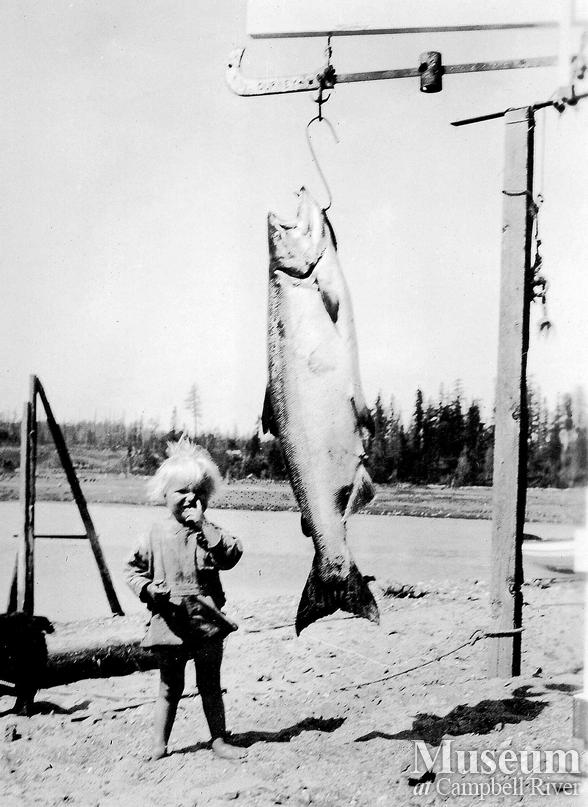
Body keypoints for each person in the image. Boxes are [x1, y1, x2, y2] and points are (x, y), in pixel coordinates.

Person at [124, 438, 245, 761]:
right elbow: (132, 571)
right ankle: (159, 744)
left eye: (199, 493)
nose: (191, 498)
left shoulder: (209, 531)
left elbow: (231, 554)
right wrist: (148, 590)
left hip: (207, 621)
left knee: (210, 684)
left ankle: (218, 739)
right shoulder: (153, 534)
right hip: (169, 621)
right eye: (182, 492)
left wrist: (204, 525)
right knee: (168, 687)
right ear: (164, 495)